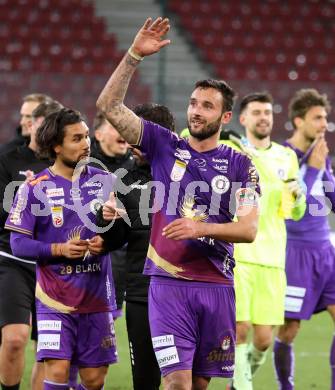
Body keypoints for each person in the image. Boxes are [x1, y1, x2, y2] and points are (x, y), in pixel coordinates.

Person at [96, 17, 260, 390]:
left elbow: (248, 229)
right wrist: (134, 55)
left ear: (226, 117)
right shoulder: (164, 145)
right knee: (176, 384)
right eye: (192, 103)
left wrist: (201, 227)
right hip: (167, 285)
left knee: (199, 385)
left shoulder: (240, 164)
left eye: (206, 106)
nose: (196, 111)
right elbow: (108, 105)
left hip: (217, 284)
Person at [5, 108, 118, 390]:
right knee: (56, 371)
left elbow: (122, 235)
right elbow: (18, 243)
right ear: (57, 146)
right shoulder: (33, 188)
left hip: (96, 298)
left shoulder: (104, 182)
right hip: (54, 299)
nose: (86, 144)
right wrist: (59, 249)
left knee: (94, 379)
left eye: (87, 136)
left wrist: (108, 238)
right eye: (77, 138)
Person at [221, 92, 306, 390]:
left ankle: (238, 381)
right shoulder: (229, 150)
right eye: (256, 112)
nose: (263, 117)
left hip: (272, 260)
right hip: (240, 256)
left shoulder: (286, 156)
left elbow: (293, 212)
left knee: (264, 340)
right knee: (240, 330)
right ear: (243, 118)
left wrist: (298, 197)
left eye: (267, 112)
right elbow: (189, 134)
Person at [98, 102, 176, 390]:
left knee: (184, 379)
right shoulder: (124, 180)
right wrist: (107, 219)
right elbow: (112, 241)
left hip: (184, 291)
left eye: (136, 134)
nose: (130, 143)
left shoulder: (190, 174)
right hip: (142, 293)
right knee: (144, 380)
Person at [273, 89, 335, 389]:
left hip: (326, 251)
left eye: (325, 117)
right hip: (295, 255)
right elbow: (289, 209)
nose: (324, 124)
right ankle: (287, 387)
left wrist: (324, 170)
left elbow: (331, 197)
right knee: (289, 329)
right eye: (317, 118)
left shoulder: (321, 154)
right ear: (299, 121)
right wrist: (313, 169)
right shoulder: (283, 156)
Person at [0, 100, 62, 390]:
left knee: (47, 350)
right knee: (14, 340)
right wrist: (26, 197)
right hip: (12, 259)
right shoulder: (8, 160)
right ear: (32, 125)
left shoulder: (64, 165)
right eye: (43, 123)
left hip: (53, 264)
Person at [90, 111, 135, 318]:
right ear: (98, 135)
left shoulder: (137, 167)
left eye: (125, 127)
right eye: (116, 127)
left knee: (107, 320)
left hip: (122, 255)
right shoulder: (83, 165)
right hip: (84, 252)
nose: (123, 132)